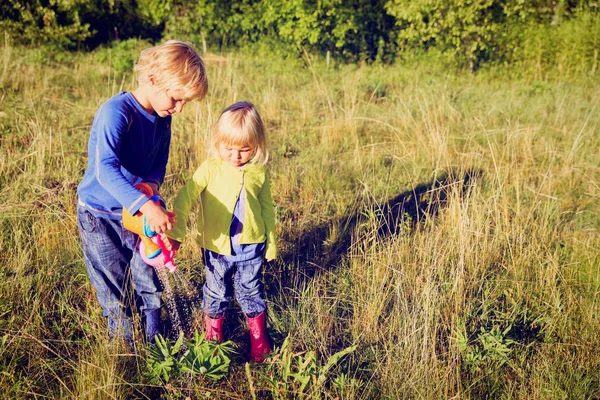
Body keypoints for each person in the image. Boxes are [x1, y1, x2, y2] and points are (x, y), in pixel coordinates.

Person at [76, 40, 208, 347]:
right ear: (152, 80)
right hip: (100, 216)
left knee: (148, 276)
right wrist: (146, 204)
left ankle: (153, 336)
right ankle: (125, 349)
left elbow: (159, 163)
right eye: (176, 99)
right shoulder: (116, 112)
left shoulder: (163, 118)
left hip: (136, 217)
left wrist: (151, 186)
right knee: (114, 286)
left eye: (184, 103)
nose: (179, 108)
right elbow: (104, 170)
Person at [165, 101, 276, 362]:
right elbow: (184, 199)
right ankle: (213, 338)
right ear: (218, 141)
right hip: (217, 249)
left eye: (245, 149)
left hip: (251, 246)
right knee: (217, 292)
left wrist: (270, 243)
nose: (236, 155)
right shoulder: (210, 170)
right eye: (229, 147)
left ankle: (259, 340)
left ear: (257, 145)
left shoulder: (258, 172)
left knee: (251, 290)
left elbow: (267, 209)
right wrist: (176, 234)